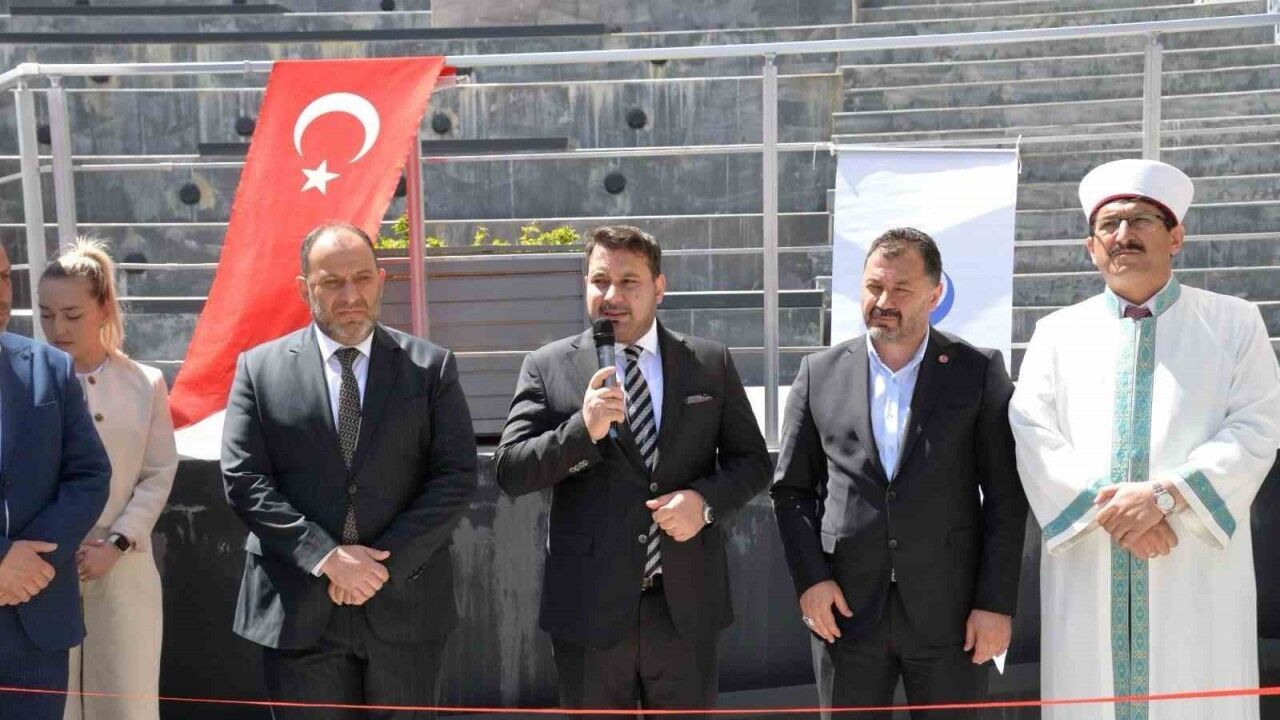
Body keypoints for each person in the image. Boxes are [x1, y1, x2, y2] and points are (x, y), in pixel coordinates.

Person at [1009, 159, 1280, 720]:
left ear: (1176, 237)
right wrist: (1114, 512)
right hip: (1090, 553)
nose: (1123, 235)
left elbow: (1258, 425)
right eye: (1108, 225)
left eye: (1140, 221)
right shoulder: (1056, 334)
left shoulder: (1234, 323)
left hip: (1194, 557)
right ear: (1091, 247)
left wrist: (1165, 496)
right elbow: (1034, 434)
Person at [495, 225, 771, 712]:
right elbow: (511, 470)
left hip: (684, 608)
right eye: (600, 280)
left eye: (629, 282)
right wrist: (583, 430)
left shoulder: (709, 363)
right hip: (589, 612)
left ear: (659, 287)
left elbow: (752, 462)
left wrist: (704, 503)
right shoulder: (547, 366)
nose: (611, 296)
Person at [221, 222, 478, 720]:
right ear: (305, 289)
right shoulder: (259, 370)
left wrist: (379, 567)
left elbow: (454, 476)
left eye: (361, 278)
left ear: (381, 281)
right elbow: (244, 479)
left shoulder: (431, 369)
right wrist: (326, 557)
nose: (350, 296)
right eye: (332, 282)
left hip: (404, 607)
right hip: (299, 611)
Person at [772, 228, 1027, 720]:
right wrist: (811, 581)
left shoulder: (976, 371)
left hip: (952, 616)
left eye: (901, 289)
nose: (883, 302)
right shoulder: (819, 372)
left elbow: (1005, 496)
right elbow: (791, 491)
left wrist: (995, 603)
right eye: (874, 287)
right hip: (844, 613)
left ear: (935, 294)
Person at [37, 239, 178, 720]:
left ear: (103, 308)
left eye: (72, 315)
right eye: (46, 315)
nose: (58, 328)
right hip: (42, 568)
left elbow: (158, 473)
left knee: (126, 700)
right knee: (52, 704)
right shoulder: (21, 379)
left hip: (125, 564)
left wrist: (118, 542)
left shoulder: (145, 382)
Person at [0, 243, 112, 720]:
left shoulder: (50, 368)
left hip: (36, 622)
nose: (2, 293)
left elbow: (90, 474)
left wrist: (30, 565)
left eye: (4, 276)